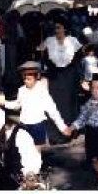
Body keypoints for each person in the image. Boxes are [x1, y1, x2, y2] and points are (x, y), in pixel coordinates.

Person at [0, 61, 70, 152]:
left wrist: (62, 127)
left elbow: (52, 110)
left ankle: (37, 165)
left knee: (36, 150)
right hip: (24, 124)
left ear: (36, 77)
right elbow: (17, 105)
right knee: (25, 148)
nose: (26, 81)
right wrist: (4, 103)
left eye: (29, 79)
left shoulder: (42, 91)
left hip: (37, 125)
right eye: (24, 79)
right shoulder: (22, 90)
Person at [40, 16, 83, 144]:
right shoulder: (49, 40)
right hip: (55, 76)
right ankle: (56, 135)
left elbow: (78, 58)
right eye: (55, 28)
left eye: (59, 27)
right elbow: (42, 56)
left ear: (65, 28)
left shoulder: (73, 41)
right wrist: (41, 51)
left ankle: (70, 131)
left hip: (69, 76)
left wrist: (78, 76)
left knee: (69, 103)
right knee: (56, 103)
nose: (56, 30)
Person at [0, 109, 42, 190]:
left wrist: (30, 178)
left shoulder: (21, 134)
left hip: (17, 182)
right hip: (0, 181)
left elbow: (32, 158)